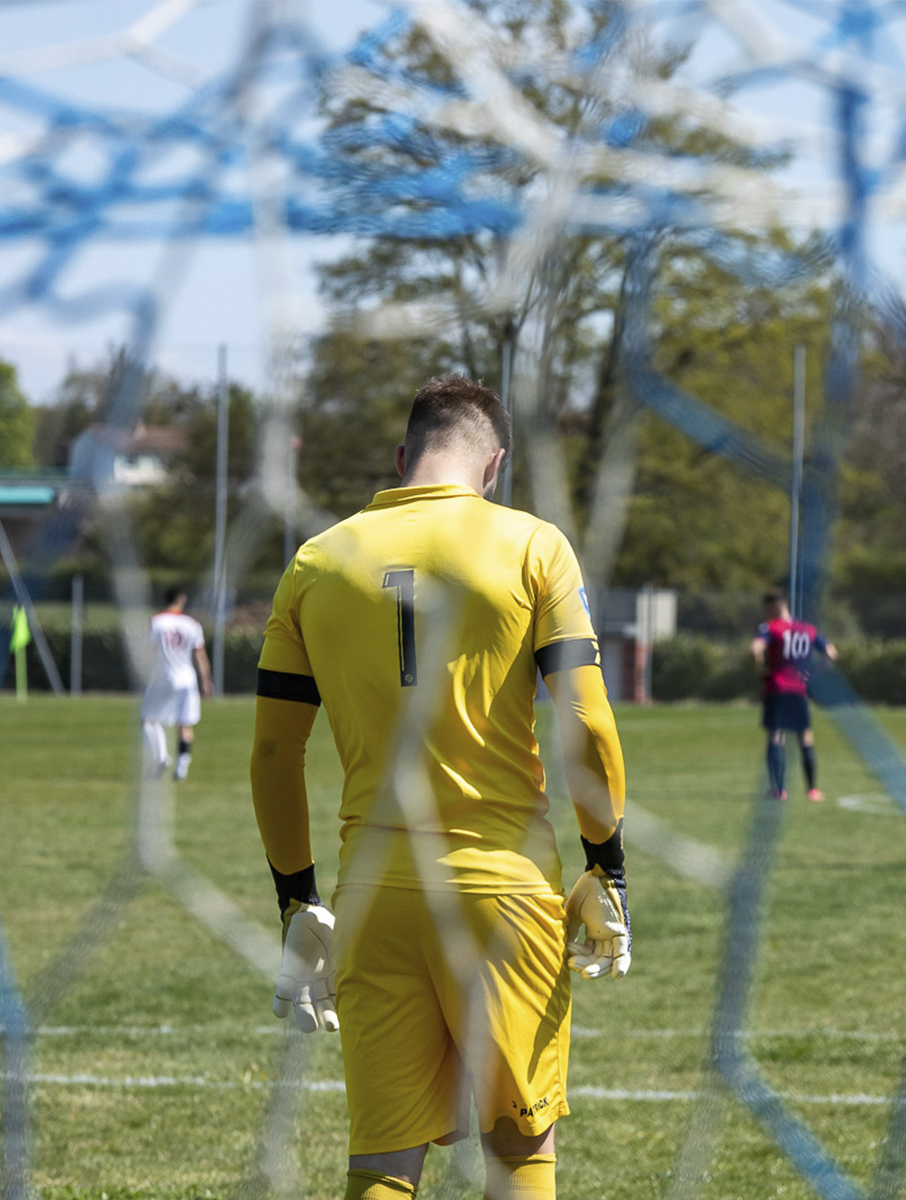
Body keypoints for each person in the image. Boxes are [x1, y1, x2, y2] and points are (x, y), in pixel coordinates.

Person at [249, 374, 630, 1200]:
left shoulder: (315, 560)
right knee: (518, 1151)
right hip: (503, 891)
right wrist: (608, 865)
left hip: (374, 896)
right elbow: (588, 725)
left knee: (383, 1163)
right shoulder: (534, 546)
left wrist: (295, 902)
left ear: (401, 458)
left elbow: (276, 754)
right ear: (493, 466)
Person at [750, 587, 837, 801]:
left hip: (777, 688)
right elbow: (831, 653)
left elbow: (755, 650)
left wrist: (760, 670)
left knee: (776, 735)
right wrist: (813, 674)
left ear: (774, 605)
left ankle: (778, 790)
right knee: (805, 736)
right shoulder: (807, 628)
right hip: (799, 689)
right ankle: (812, 789)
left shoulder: (770, 627)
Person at [141, 586, 211, 781]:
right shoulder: (192, 625)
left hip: (164, 677)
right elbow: (200, 655)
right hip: (187, 679)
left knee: (149, 719)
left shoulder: (156, 622)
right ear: (181, 600)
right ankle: (181, 768)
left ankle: (161, 756)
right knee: (185, 724)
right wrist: (205, 680)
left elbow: (149, 651)